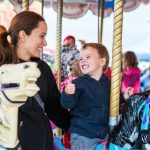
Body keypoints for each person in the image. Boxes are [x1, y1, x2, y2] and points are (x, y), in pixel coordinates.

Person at [0, 11, 71, 150]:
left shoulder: (42, 68)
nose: (45, 42)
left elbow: (54, 107)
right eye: (41, 36)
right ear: (22, 35)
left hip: (41, 142)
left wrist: (80, 128)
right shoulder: (4, 69)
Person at [60, 43, 133, 150]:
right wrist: (67, 93)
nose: (83, 60)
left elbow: (113, 103)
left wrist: (123, 97)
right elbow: (67, 104)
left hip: (105, 133)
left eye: (88, 57)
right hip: (83, 134)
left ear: (102, 61)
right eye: (81, 58)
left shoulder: (109, 84)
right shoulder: (78, 83)